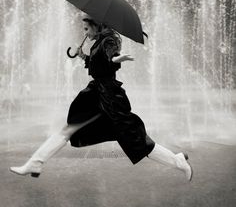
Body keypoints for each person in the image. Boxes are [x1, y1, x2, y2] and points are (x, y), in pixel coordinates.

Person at [10, 14, 193, 181]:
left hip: (109, 99)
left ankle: (177, 161)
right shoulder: (99, 42)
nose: (85, 32)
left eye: (87, 28)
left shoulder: (109, 41)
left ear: (97, 26)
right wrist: (84, 57)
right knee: (70, 129)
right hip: (96, 95)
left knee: (135, 139)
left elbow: (110, 57)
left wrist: (117, 59)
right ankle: (37, 161)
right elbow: (98, 63)